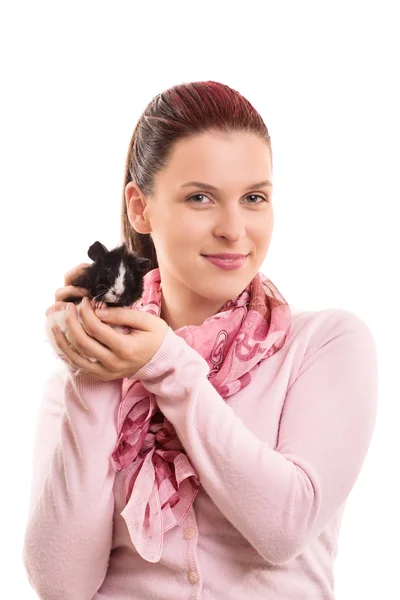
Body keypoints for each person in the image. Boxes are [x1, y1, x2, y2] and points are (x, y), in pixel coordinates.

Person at [22, 80, 379, 600]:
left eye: (254, 197)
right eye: (200, 198)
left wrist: (166, 363)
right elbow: (60, 585)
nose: (234, 229)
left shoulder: (325, 345)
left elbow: (285, 528)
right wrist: (100, 366)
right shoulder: (76, 383)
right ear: (141, 208)